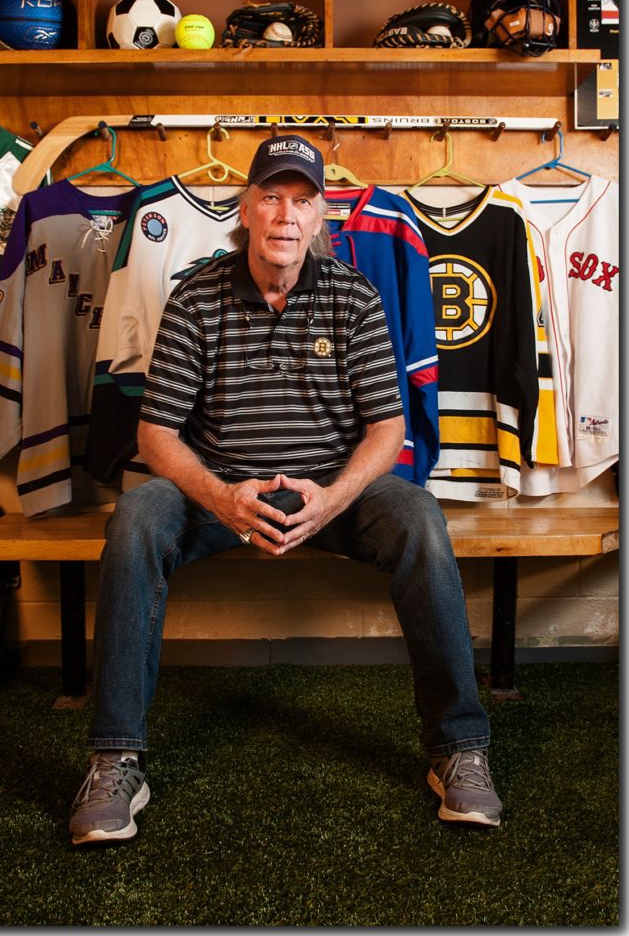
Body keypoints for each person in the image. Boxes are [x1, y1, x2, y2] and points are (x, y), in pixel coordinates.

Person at [69, 134, 502, 845]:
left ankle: (459, 748)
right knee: (139, 513)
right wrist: (220, 496)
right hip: (219, 494)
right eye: (271, 196)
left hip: (333, 494)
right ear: (246, 207)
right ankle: (115, 758)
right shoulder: (196, 297)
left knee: (420, 516)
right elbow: (155, 438)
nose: (286, 216)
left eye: (302, 201)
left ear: (320, 215)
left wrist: (333, 497)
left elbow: (388, 429)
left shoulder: (354, 296)